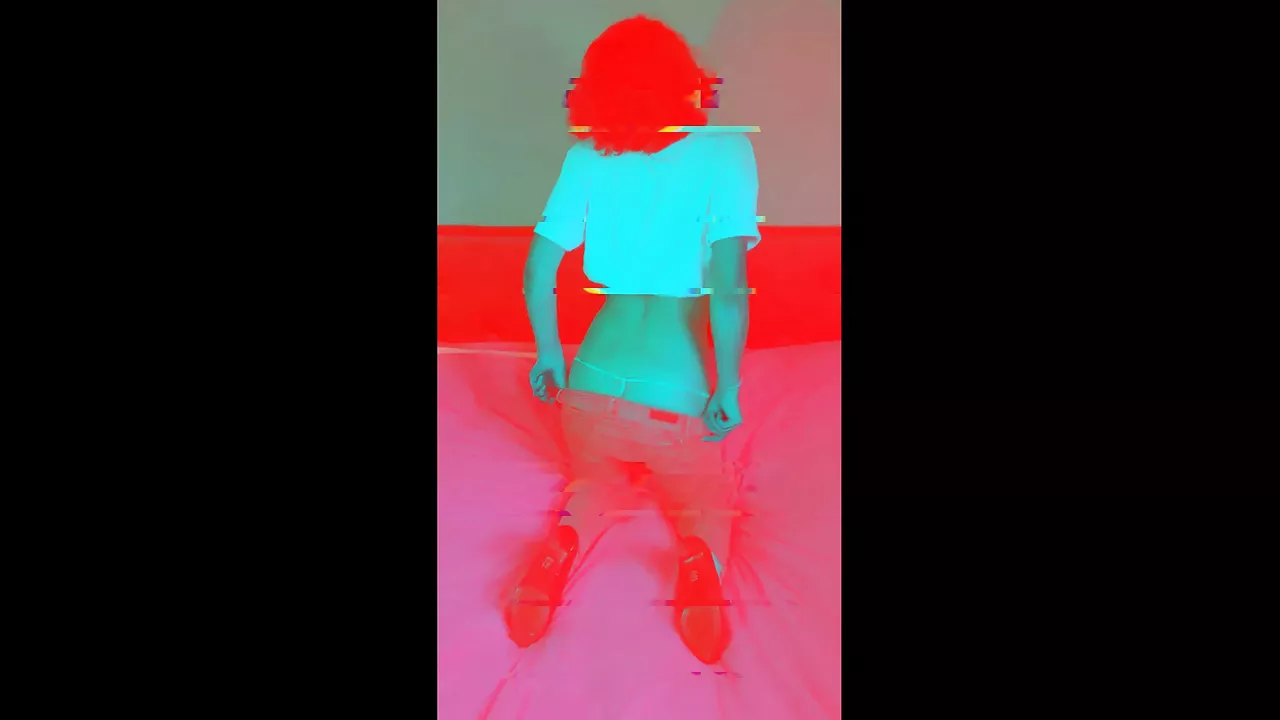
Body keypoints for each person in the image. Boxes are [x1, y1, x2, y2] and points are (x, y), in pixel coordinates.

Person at [504, 15, 761, 665]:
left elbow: (537, 270)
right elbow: (730, 289)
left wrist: (551, 354)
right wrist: (727, 387)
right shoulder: (726, 151)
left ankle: (563, 544)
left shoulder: (586, 156)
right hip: (672, 399)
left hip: (589, 390)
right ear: (682, 79)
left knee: (594, 484)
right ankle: (698, 559)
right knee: (707, 500)